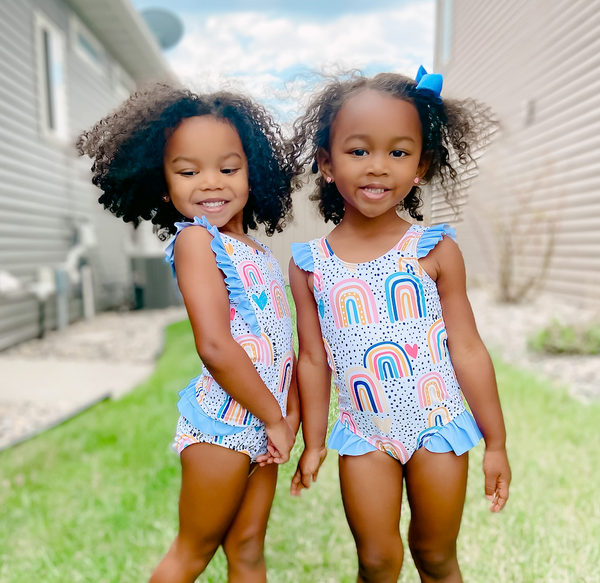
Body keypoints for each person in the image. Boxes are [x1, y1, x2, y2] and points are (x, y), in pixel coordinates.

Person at [287, 69, 511, 583]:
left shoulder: (434, 250)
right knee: (377, 561)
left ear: (420, 166)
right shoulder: (309, 264)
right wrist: (315, 442)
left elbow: (469, 349)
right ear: (326, 162)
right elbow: (314, 358)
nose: (377, 167)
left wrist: (495, 442)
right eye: (359, 151)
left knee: (434, 556)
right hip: (365, 435)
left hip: (437, 426)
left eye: (398, 152)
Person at [77, 84, 299, 583]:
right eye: (188, 171)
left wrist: (285, 415)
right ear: (163, 184)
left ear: (253, 171)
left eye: (228, 168)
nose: (210, 183)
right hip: (225, 425)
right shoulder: (197, 241)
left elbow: (278, 344)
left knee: (246, 548)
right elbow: (216, 346)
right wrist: (276, 418)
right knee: (193, 551)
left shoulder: (258, 252)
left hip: (264, 422)